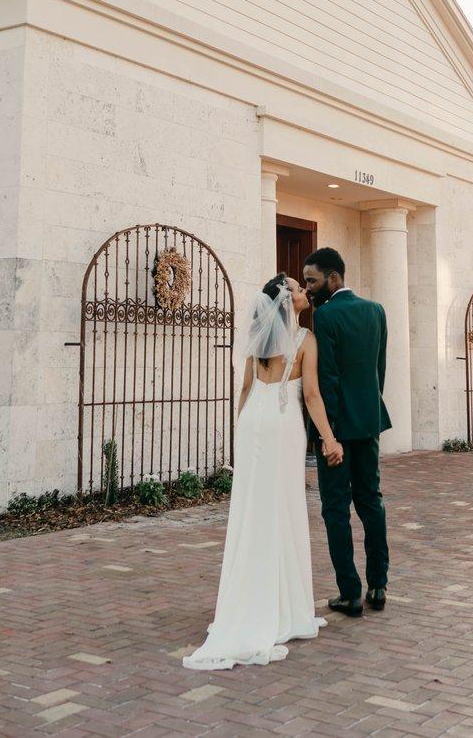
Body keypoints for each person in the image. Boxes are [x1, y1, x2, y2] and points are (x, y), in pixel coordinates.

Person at [183, 273, 343, 671]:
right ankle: (283, 606)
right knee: (282, 506)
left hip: (253, 421)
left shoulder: (259, 336)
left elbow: (245, 389)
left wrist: (241, 434)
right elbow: (311, 395)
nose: (305, 291)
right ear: (289, 301)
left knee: (252, 508)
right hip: (282, 424)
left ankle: (250, 598)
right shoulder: (305, 339)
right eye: (298, 288)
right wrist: (329, 439)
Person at [303, 247, 391, 617]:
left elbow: (328, 379)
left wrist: (329, 435)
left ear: (334, 277)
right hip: (369, 423)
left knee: (336, 509)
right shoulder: (376, 311)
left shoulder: (324, 315)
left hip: (337, 431)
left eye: (312, 280)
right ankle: (379, 585)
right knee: (371, 501)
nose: (308, 289)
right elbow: (379, 370)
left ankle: (350, 593)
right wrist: (367, 409)